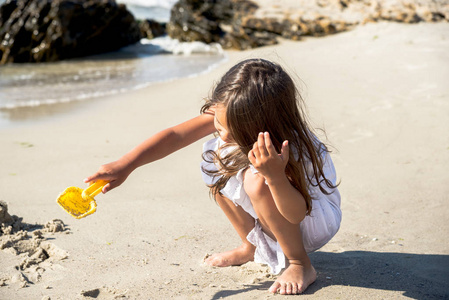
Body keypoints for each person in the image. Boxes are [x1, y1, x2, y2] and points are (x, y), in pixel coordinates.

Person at [85, 58, 341, 295]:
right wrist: (126, 165)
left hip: (312, 219)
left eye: (234, 130)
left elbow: (297, 214)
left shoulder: (286, 147)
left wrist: (275, 177)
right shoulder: (230, 110)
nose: (225, 135)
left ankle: (300, 263)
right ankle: (250, 246)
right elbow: (177, 135)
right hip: (281, 213)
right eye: (219, 125)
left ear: (263, 124)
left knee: (257, 181)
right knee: (216, 160)